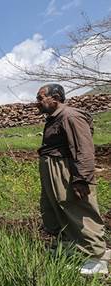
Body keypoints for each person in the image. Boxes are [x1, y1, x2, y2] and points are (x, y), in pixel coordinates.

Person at [36, 84, 109, 275]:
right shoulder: (54, 119)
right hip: (53, 170)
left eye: (41, 97)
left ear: (56, 97)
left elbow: (84, 148)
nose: (37, 102)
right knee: (56, 208)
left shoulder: (71, 116)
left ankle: (96, 259)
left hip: (66, 170)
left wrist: (81, 179)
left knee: (77, 208)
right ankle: (72, 248)